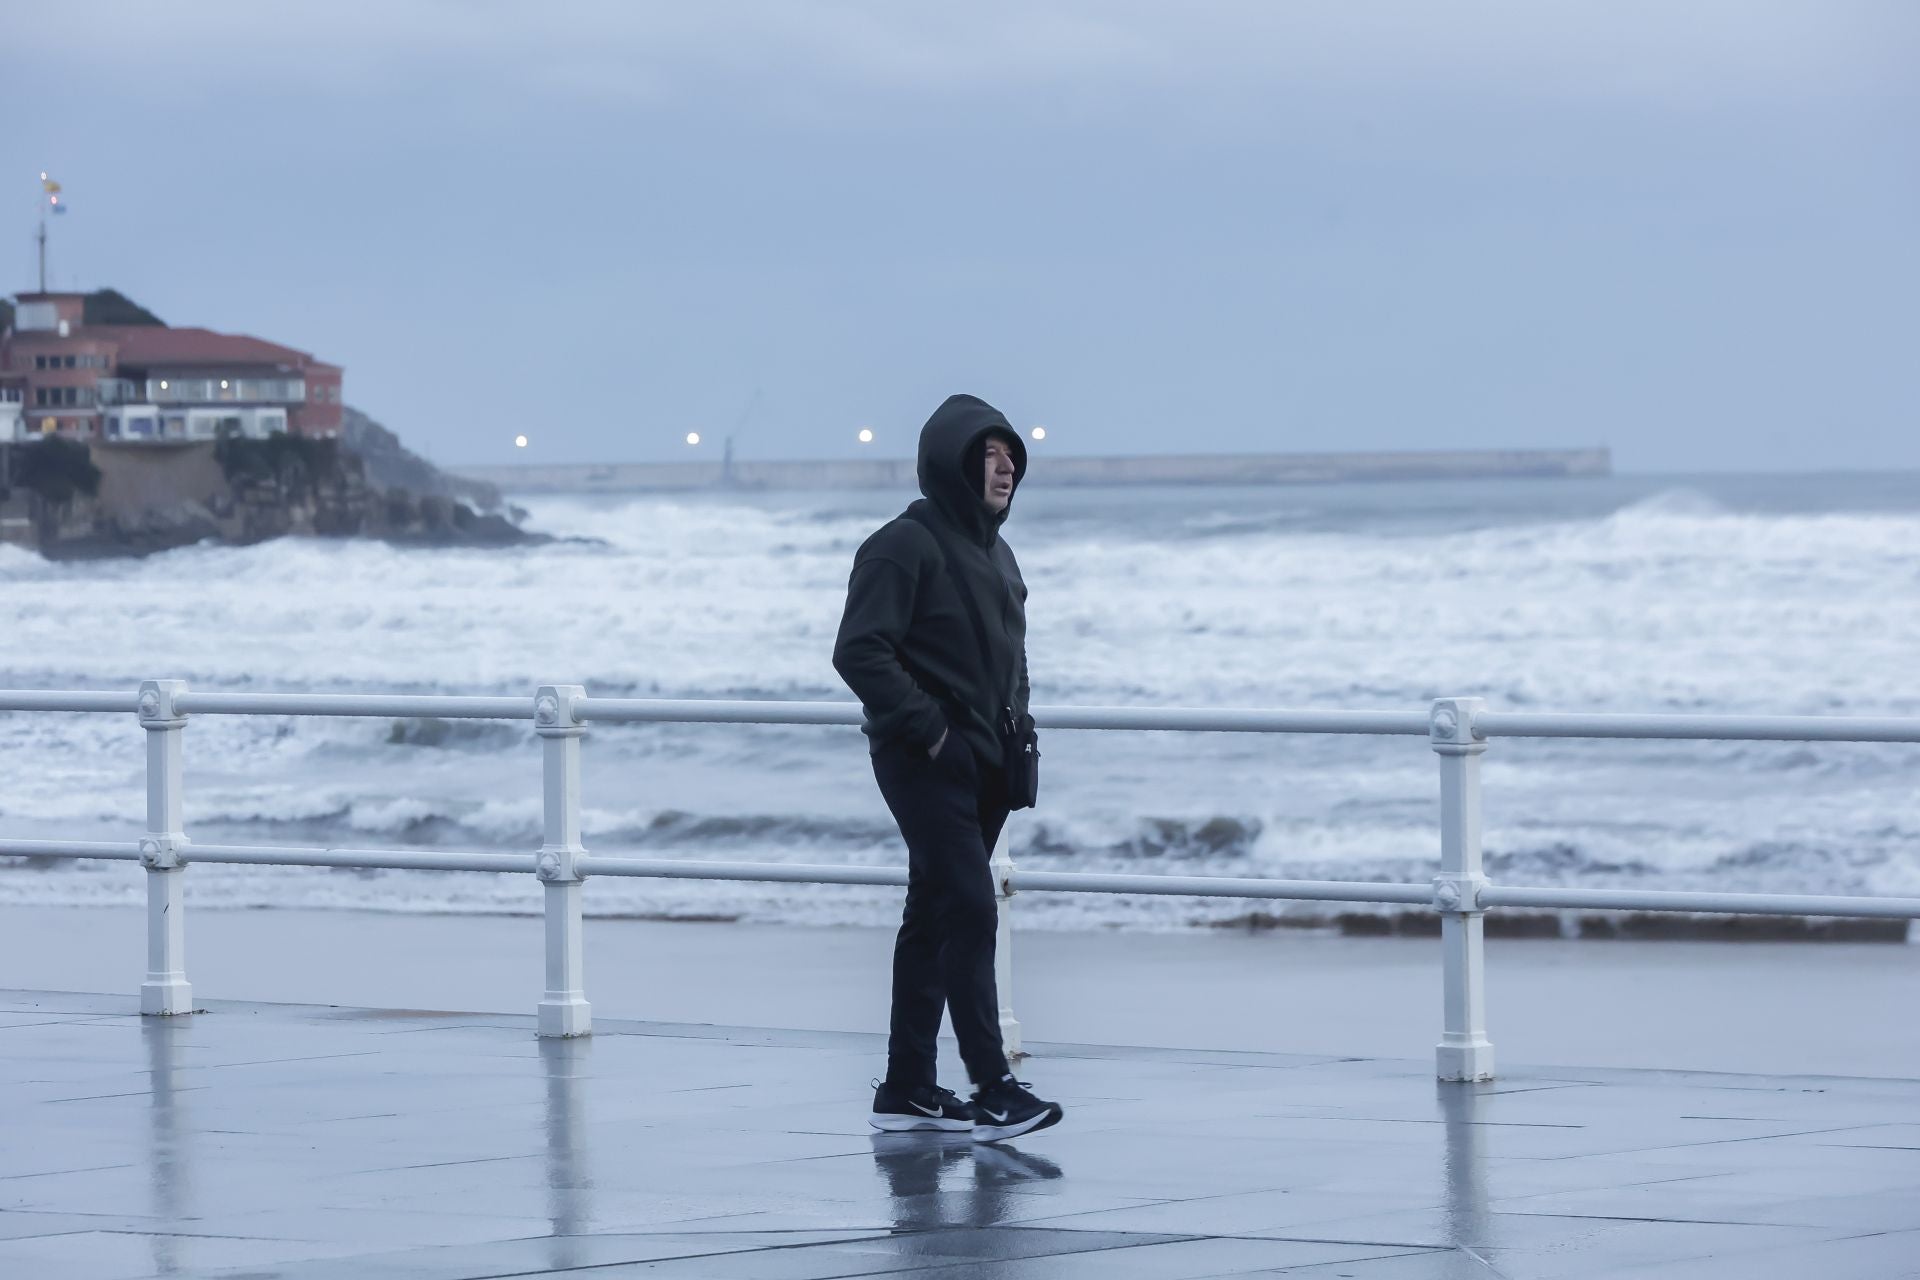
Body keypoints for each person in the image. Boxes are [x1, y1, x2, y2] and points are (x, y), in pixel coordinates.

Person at [832, 393, 1063, 1144]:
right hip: (920, 760)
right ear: (952, 464)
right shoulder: (902, 545)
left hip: (986, 764)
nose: (1003, 469)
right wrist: (930, 731)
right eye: (987, 456)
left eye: (1010, 457)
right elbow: (859, 650)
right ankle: (993, 1087)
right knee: (970, 905)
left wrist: (1017, 725)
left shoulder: (999, 554)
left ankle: (906, 1089)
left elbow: (1013, 658)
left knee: (932, 914)